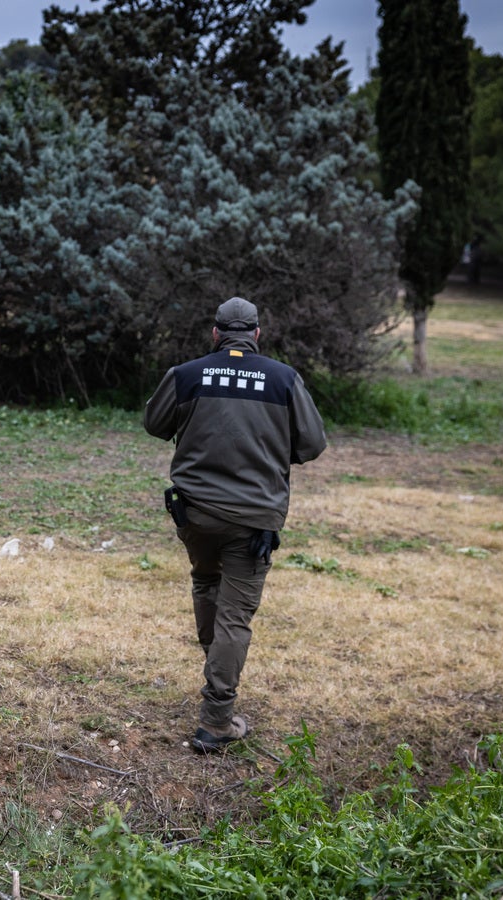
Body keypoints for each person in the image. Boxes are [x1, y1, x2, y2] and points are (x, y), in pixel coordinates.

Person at [144, 297, 326, 753]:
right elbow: (312, 444)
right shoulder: (284, 379)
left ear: (216, 333)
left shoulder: (186, 375)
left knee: (206, 582)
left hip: (196, 514)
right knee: (235, 617)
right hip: (253, 520)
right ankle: (216, 720)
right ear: (258, 334)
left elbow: (154, 423)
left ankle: (218, 672)